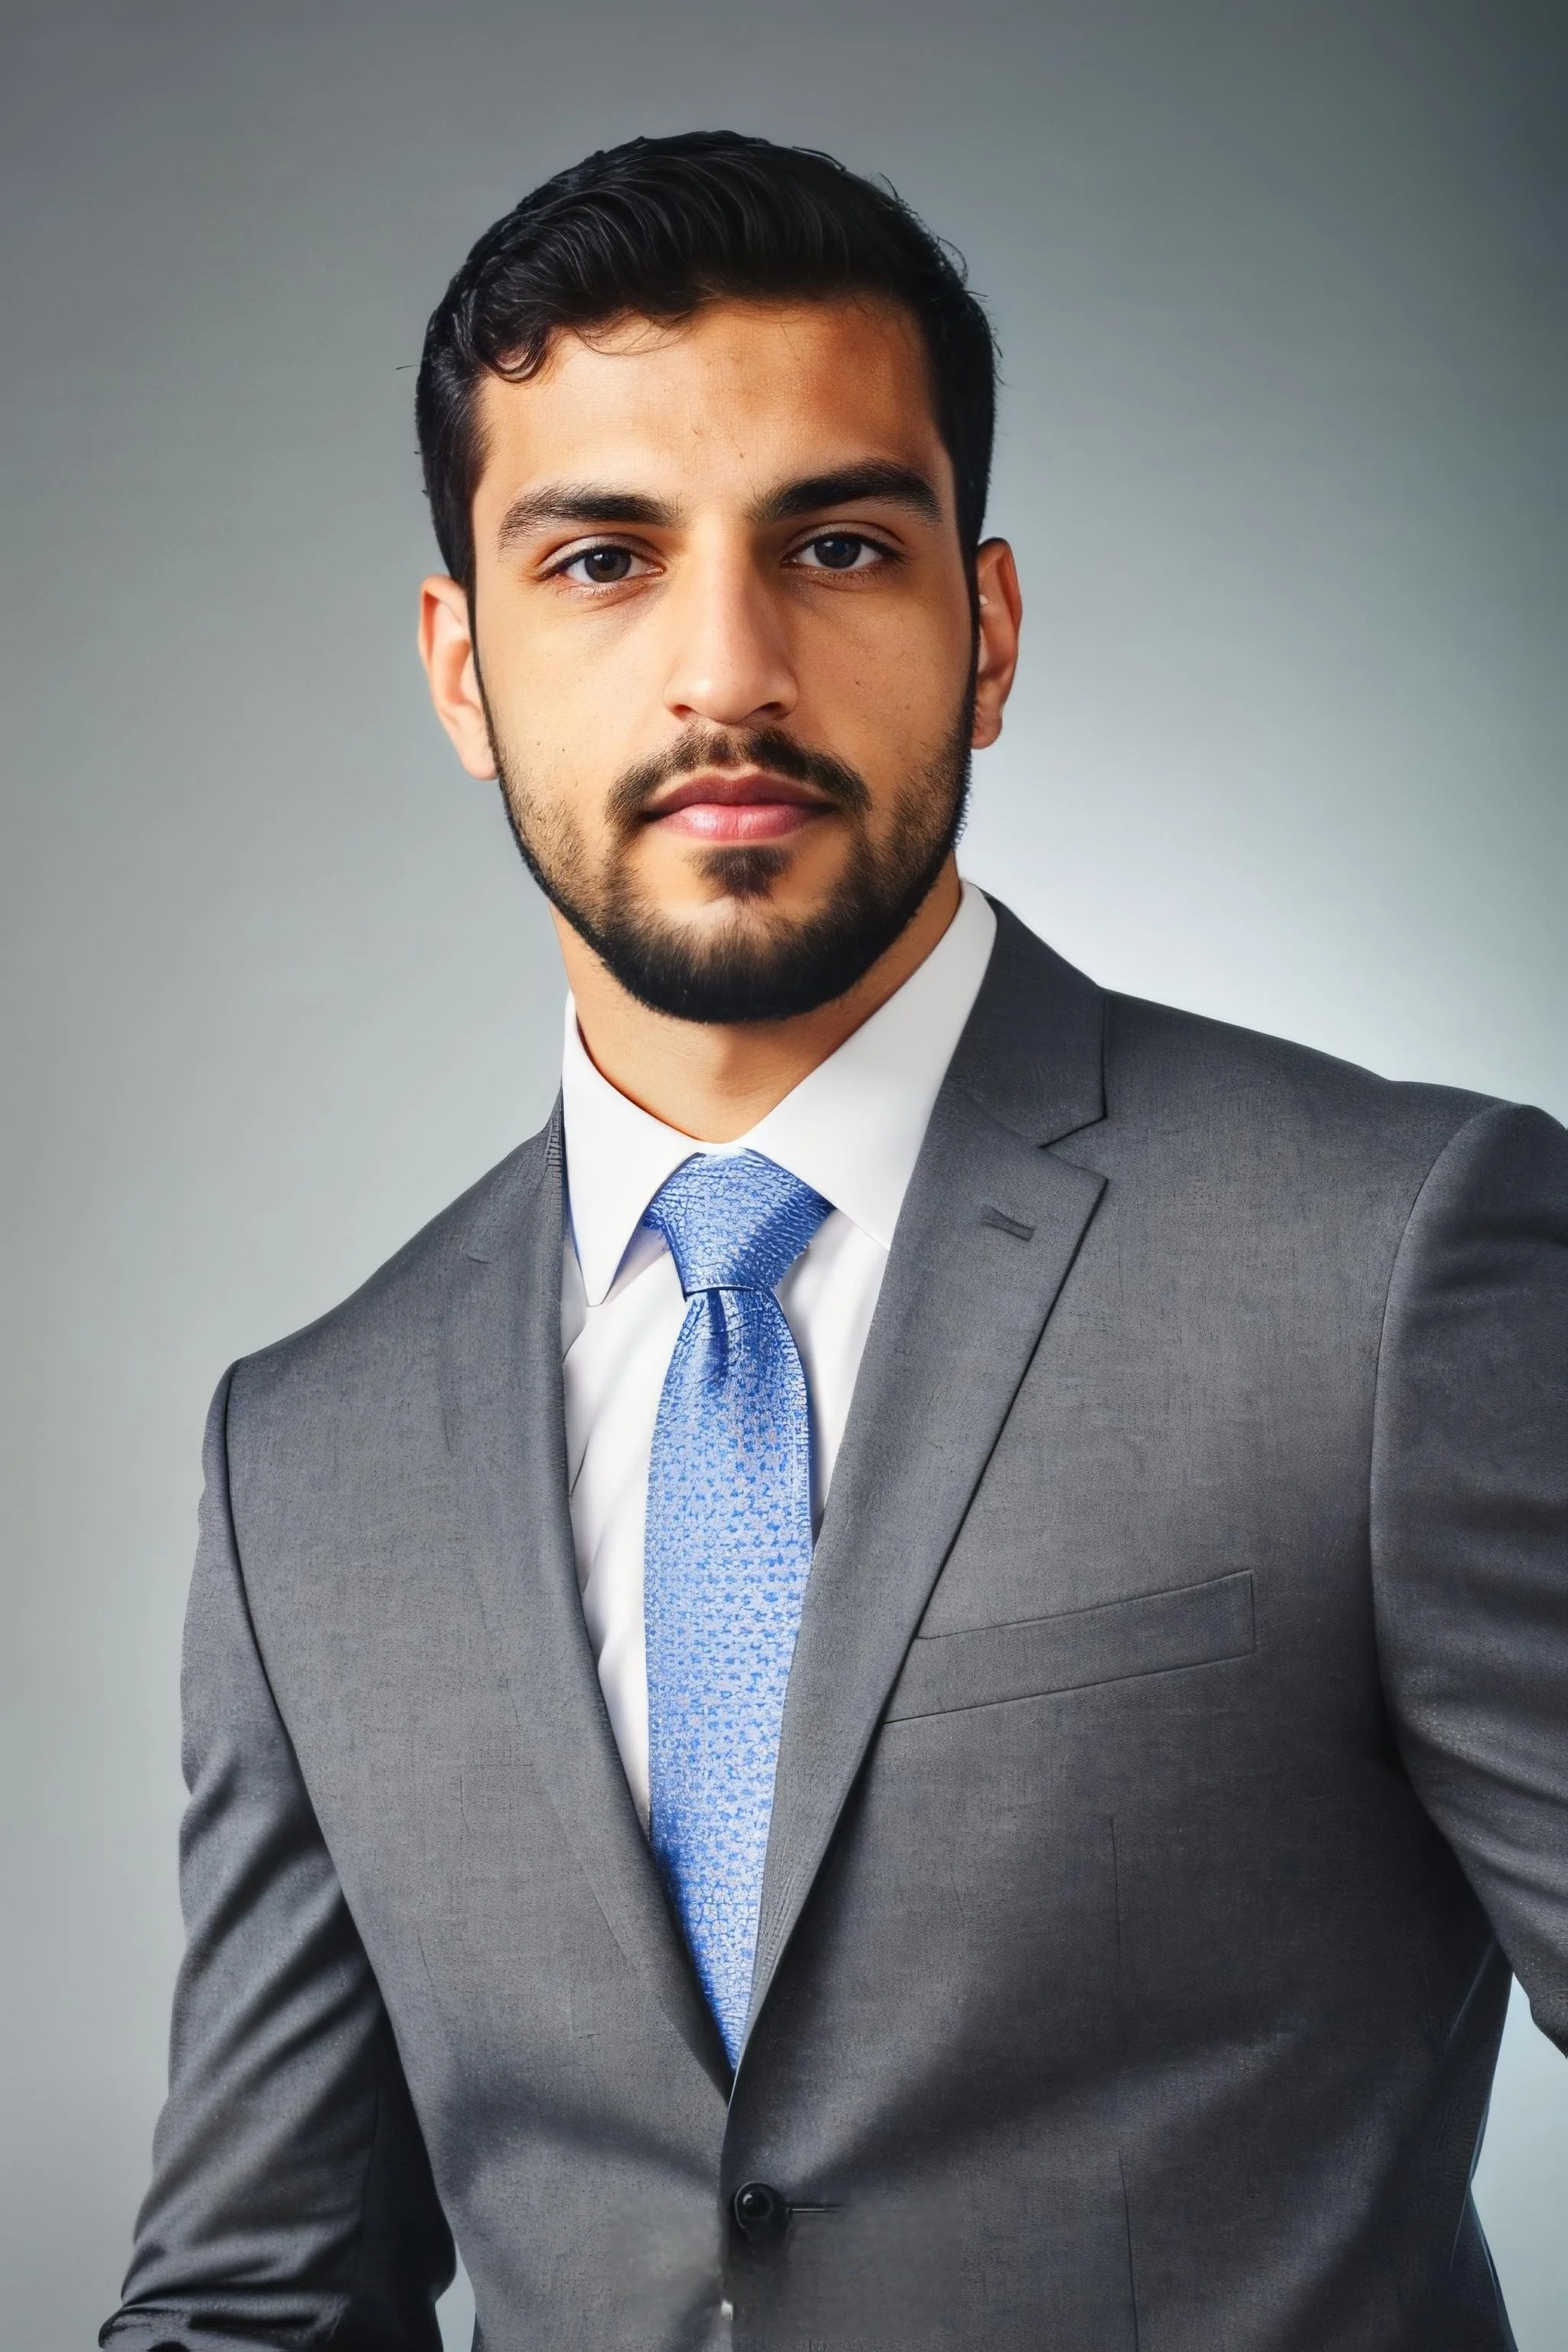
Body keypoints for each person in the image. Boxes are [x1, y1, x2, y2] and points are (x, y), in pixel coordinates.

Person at [102, 131, 1567, 2352]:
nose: (729, 671)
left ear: (986, 632)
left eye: (841, 545)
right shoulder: (303, 1459)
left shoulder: (1389, 1268)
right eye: (602, 559)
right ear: (461, 669)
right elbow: (255, 2297)